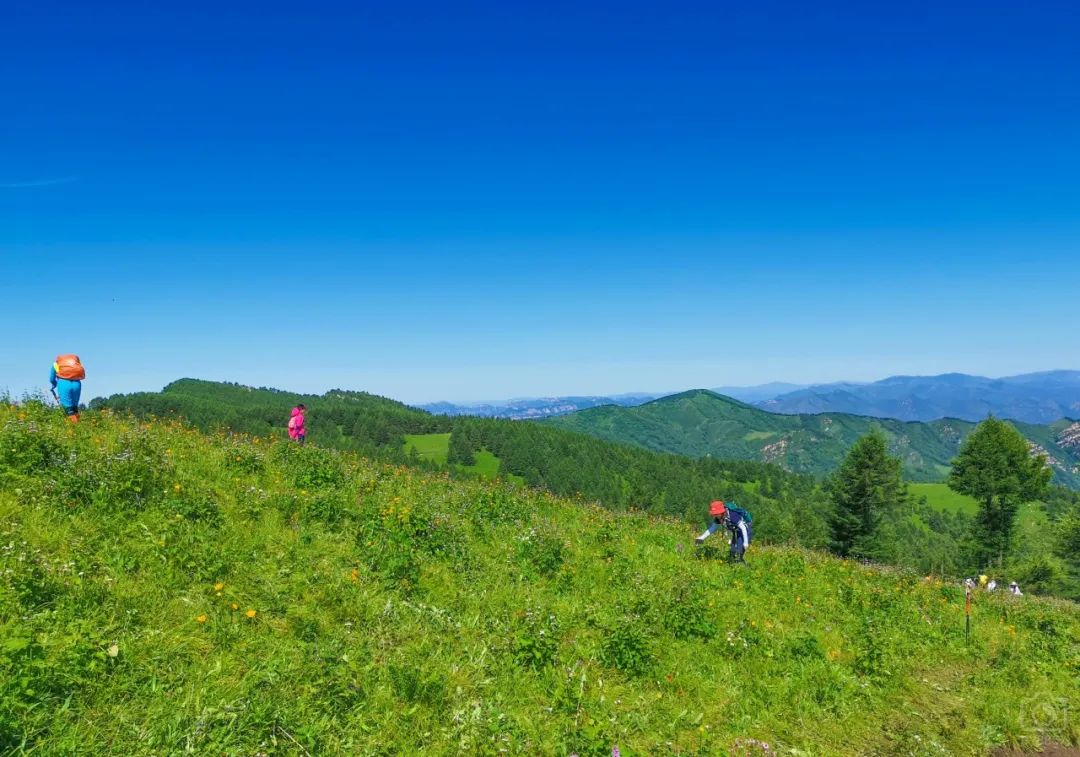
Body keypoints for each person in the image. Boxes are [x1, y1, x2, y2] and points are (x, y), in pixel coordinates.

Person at [49, 354, 85, 423]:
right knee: (75, 408)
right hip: (77, 384)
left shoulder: (56, 364)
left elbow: (51, 379)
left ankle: (75, 427)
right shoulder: (75, 364)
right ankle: (79, 424)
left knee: (69, 410)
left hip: (63, 384)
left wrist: (54, 385)